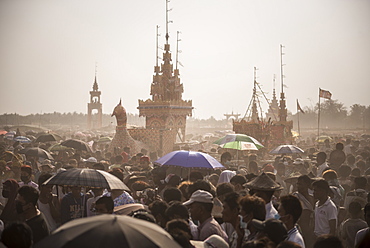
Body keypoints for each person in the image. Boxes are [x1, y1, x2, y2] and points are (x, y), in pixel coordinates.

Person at [292, 175, 314, 248]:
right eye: (298, 184)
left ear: (307, 185)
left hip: (311, 227)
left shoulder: (313, 197)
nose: (298, 186)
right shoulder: (295, 196)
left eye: (301, 184)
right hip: (299, 226)